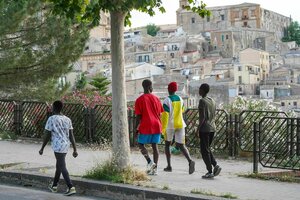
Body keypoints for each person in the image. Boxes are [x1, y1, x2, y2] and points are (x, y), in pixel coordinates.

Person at [39, 100, 78, 195]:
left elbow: (47, 135)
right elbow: (71, 135)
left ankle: (71, 187)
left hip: (57, 145)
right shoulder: (67, 119)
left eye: (52, 107)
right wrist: (75, 149)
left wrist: (42, 148)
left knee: (62, 166)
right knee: (59, 165)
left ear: (54, 108)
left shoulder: (51, 119)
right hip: (65, 145)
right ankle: (54, 186)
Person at [161, 82, 195, 174]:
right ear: (175, 90)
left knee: (167, 144)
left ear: (168, 89)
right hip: (180, 124)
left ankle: (169, 166)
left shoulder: (167, 100)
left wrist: (163, 129)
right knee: (181, 145)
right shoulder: (180, 99)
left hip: (170, 125)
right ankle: (190, 161)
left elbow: (165, 115)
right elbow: (183, 110)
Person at [135, 79, 163, 175]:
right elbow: (160, 114)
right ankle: (155, 169)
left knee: (140, 144)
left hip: (146, 124)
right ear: (150, 87)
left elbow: (138, 116)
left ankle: (149, 162)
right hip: (156, 124)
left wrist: (136, 128)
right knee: (155, 146)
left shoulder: (139, 100)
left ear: (143, 87)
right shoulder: (157, 99)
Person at [198, 83, 221, 179]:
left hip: (205, 129)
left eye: (200, 89)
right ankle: (215, 165)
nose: (199, 91)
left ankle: (209, 171)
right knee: (207, 148)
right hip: (213, 128)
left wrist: (198, 128)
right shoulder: (212, 101)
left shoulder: (202, 101)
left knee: (204, 151)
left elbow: (202, 117)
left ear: (202, 90)